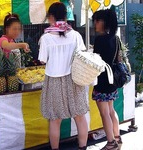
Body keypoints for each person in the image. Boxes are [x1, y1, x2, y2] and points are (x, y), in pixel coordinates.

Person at [38, 2, 89, 150]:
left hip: (54, 80)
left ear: (52, 17)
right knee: (80, 116)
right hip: (74, 79)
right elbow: (82, 55)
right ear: (66, 17)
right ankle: (83, 147)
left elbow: (42, 59)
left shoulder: (46, 38)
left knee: (55, 119)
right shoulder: (76, 35)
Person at [92, 9, 122, 150]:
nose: (95, 24)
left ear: (104, 22)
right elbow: (118, 59)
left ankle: (111, 143)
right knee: (110, 111)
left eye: (97, 21)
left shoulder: (99, 40)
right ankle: (117, 138)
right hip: (112, 81)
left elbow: (95, 61)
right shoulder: (115, 38)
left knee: (105, 113)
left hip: (102, 80)